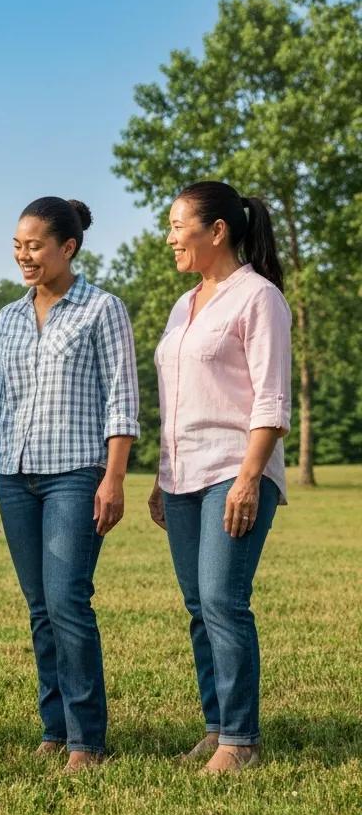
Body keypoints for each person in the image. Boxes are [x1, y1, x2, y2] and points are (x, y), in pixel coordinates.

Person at [0, 197, 139, 772]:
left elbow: (122, 398)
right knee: (39, 606)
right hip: (15, 475)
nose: (24, 255)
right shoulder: (8, 317)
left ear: (67, 248)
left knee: (68, 599)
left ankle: (86, 739)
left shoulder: (103, 309)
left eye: (35, 245)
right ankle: (54, 725)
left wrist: (113, 478)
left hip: (75, 472)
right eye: (18, 245)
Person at [148, 181, 291, 775]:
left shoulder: (258, 298)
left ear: (217, 231)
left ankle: (242, 739)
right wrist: (160, 475)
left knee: (222, 600)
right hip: (181, 475)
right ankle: (217, 725)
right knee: (197, 605)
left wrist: (249, 477)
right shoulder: (186, 303)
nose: (170, 236)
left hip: (234, 469)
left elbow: (272, 399)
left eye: (178, 225)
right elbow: (178, 397)